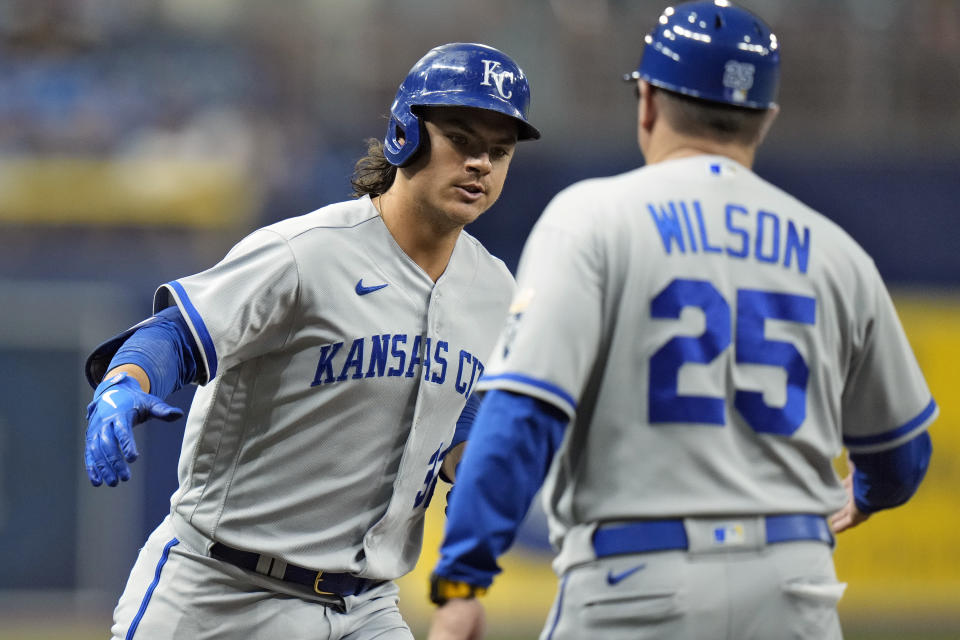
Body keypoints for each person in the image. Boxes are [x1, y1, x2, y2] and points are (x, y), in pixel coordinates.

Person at [426, 3, 936, 640]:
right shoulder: (837, 251)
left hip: (636, 583)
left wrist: (462, 577)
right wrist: (865, 494)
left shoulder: (592, 218)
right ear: (766, 119)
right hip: (791, 587)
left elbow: (522, 414)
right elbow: (903, 455)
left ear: (647, 101)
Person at [82, 42, 540, 640]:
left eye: (498, 151)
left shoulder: (494, 288)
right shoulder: (309, 251)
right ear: (406, 134)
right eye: (462, 139)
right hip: (220, 592)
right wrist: (123, 383)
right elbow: (175, 335)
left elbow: (463, 421)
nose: (480, 163)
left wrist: (480, 465)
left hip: (365, 607)